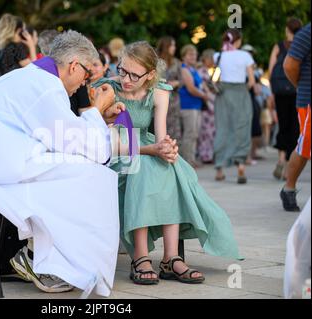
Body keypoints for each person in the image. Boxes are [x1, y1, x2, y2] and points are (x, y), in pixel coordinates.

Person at [0, 30, 129, 297]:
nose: (84, 83)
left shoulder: (34, 78)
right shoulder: (45, 87)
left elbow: (63, 136)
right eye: (86, 74)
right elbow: (86, 146)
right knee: (91, 174)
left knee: (83, 172)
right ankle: (41, 259)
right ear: (73, 65)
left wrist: (97, 119)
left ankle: (45, 257)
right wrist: (96, 110)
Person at [93, 41, 241, 286]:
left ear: (150, 75)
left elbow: (160, 136)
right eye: (122, 70)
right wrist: (152, 150)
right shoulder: (108, 88)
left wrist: (168, 149)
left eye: (134, 74)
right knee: (140, 167)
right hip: (115, 151)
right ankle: (140, 256)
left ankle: (171, 257)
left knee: (169, 166)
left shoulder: (159, 91)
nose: (126, 78)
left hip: (146, 146)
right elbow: (103, 139)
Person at [213, 29, 255, 184]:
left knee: (222, 127)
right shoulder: (245, 56)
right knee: (242, 127)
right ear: (238, 41)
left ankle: (219, 168)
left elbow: (215, 78)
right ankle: (241, 166)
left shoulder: (218, 56)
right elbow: (251, 81)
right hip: (241, 93)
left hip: (223, 94)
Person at [280, 23, 311, 212]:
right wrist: (302, 86)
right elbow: (289, 65)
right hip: (309, 100)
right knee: (305, 146)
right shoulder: (307, 32)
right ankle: (288, 187)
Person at [269, 18, 303, 180]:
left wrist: (271, 92)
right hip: (297, 90)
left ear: (287, 30)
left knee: (282, 125)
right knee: (295, 128)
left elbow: (271, 70)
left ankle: (281, 158)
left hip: (280, 92)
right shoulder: (303, 45)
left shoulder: (279, 46)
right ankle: (288, 164)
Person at [179, 44, 209, 168]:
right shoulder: (184, 69)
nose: (193, 56)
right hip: (188, 105)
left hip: (196, 105)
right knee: (189, 133)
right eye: (190, 54)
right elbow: (191, 88)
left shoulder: (193, 69)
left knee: (195, 133)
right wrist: (203, 95)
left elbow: (201, 84)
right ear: (184, 56)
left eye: (195, 54)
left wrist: (205, 92)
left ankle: (191, 158)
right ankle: (187, 161)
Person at [156, 36, 182, 141]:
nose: (174, 48)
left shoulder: (176, 62)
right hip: (158, 97)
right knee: (158, 128)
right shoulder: (156, 61)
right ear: (166, 46)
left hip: (173, 101)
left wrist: (176, 83)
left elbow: (182, 80)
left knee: (173, 131)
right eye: (172, 45)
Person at [197, 49, 217, 164]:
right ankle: (205, 155)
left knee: (207, 131)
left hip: (208, 105)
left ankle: (207, 154)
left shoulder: (205, 72)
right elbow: (205, 90)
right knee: (206, 132)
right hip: (207, 105)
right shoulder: (202, 72)